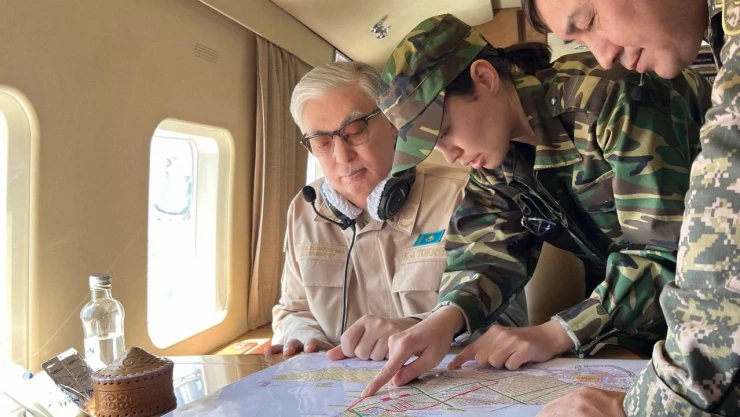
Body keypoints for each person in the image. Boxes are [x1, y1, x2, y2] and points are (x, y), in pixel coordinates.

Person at [361, 14, 712, 399]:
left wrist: (557, 332)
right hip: (663, 316)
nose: (450, 155)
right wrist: (445, 319)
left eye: (444, 132)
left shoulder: (610, 97)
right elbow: (485, 252)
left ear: (484, 78)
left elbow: (667, 253)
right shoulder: (495, 158)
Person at [521, 1, 740, 416]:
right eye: (580, 41)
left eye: (590, 21)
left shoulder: (612, 96)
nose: (603, 56)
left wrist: (639, 409)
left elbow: (721, 243)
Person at [267, 62, 528, 361]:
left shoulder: (466, 194)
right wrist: (304, 339)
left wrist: (422, 329)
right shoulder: (304, 209)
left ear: (394, 125)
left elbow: (510, 322)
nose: (342, 156)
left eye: (355, 131)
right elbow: (294, 309)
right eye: (322, 142)